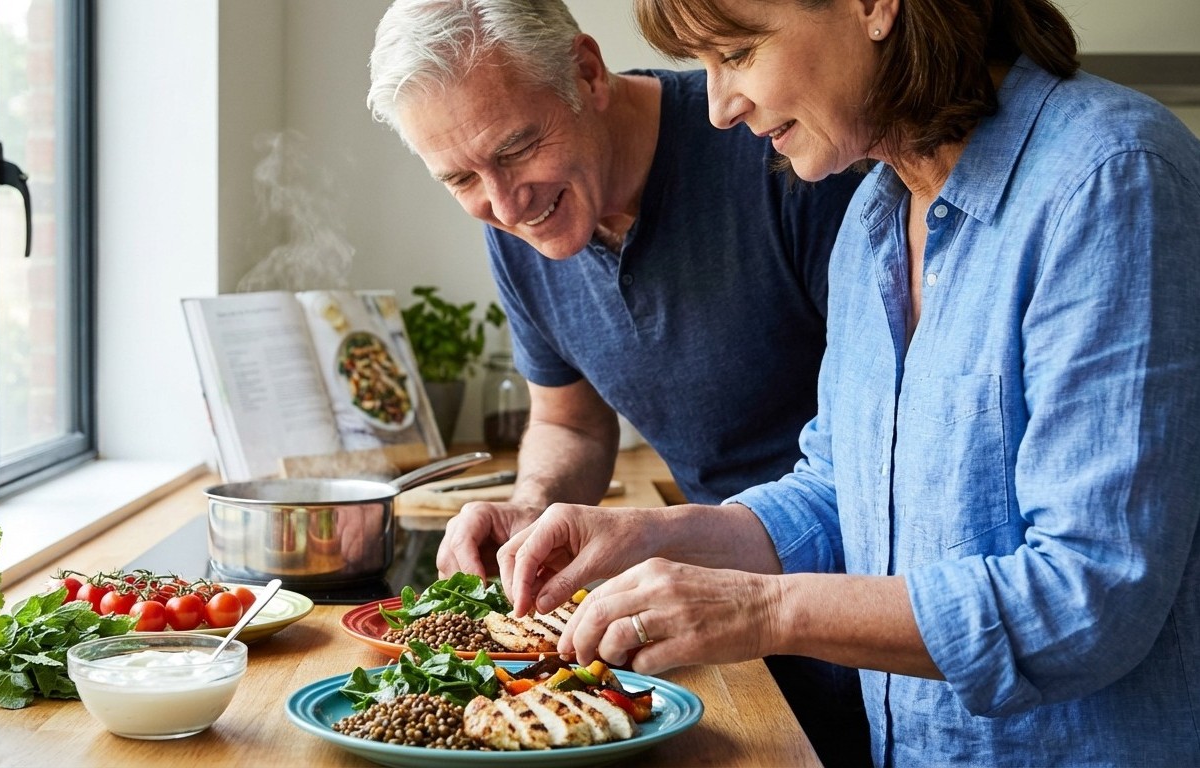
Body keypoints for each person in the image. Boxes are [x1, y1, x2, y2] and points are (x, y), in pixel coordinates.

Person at [497, 0, 1200, 764]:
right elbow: (840, 494)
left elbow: (1088, 597)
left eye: (735, 53)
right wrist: (648, 537)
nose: (722, 106)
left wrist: (764, 609)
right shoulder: (876, 209)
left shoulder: (1111, 178)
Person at [367, 1, 868, 763]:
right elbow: (570, 425)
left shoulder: (784, 150)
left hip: (856, 616)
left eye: (517, 149)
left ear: (587, 73)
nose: (505, 205)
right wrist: (530, 511)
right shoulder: (519, 229)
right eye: (461, 178)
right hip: (709, 618)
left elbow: (872, 466)